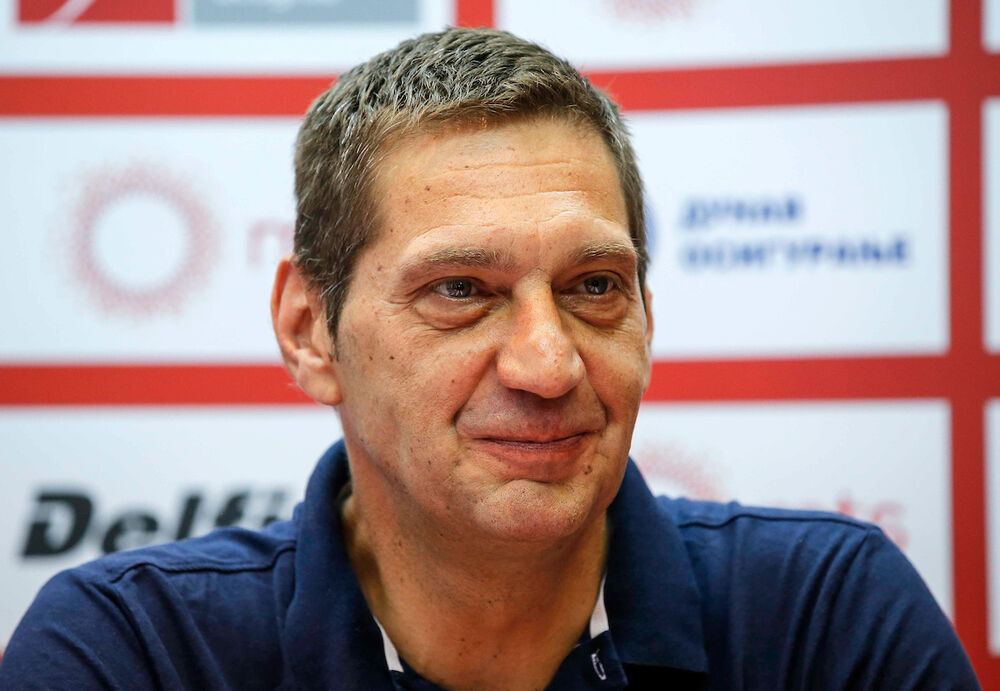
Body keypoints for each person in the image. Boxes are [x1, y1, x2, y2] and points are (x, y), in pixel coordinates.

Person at [0, 28, 980, 690]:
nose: (548, 367)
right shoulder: (136, 651)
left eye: (594, 284)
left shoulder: (823, 617)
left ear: (646, 310)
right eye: (461, 289)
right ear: (308, 329)